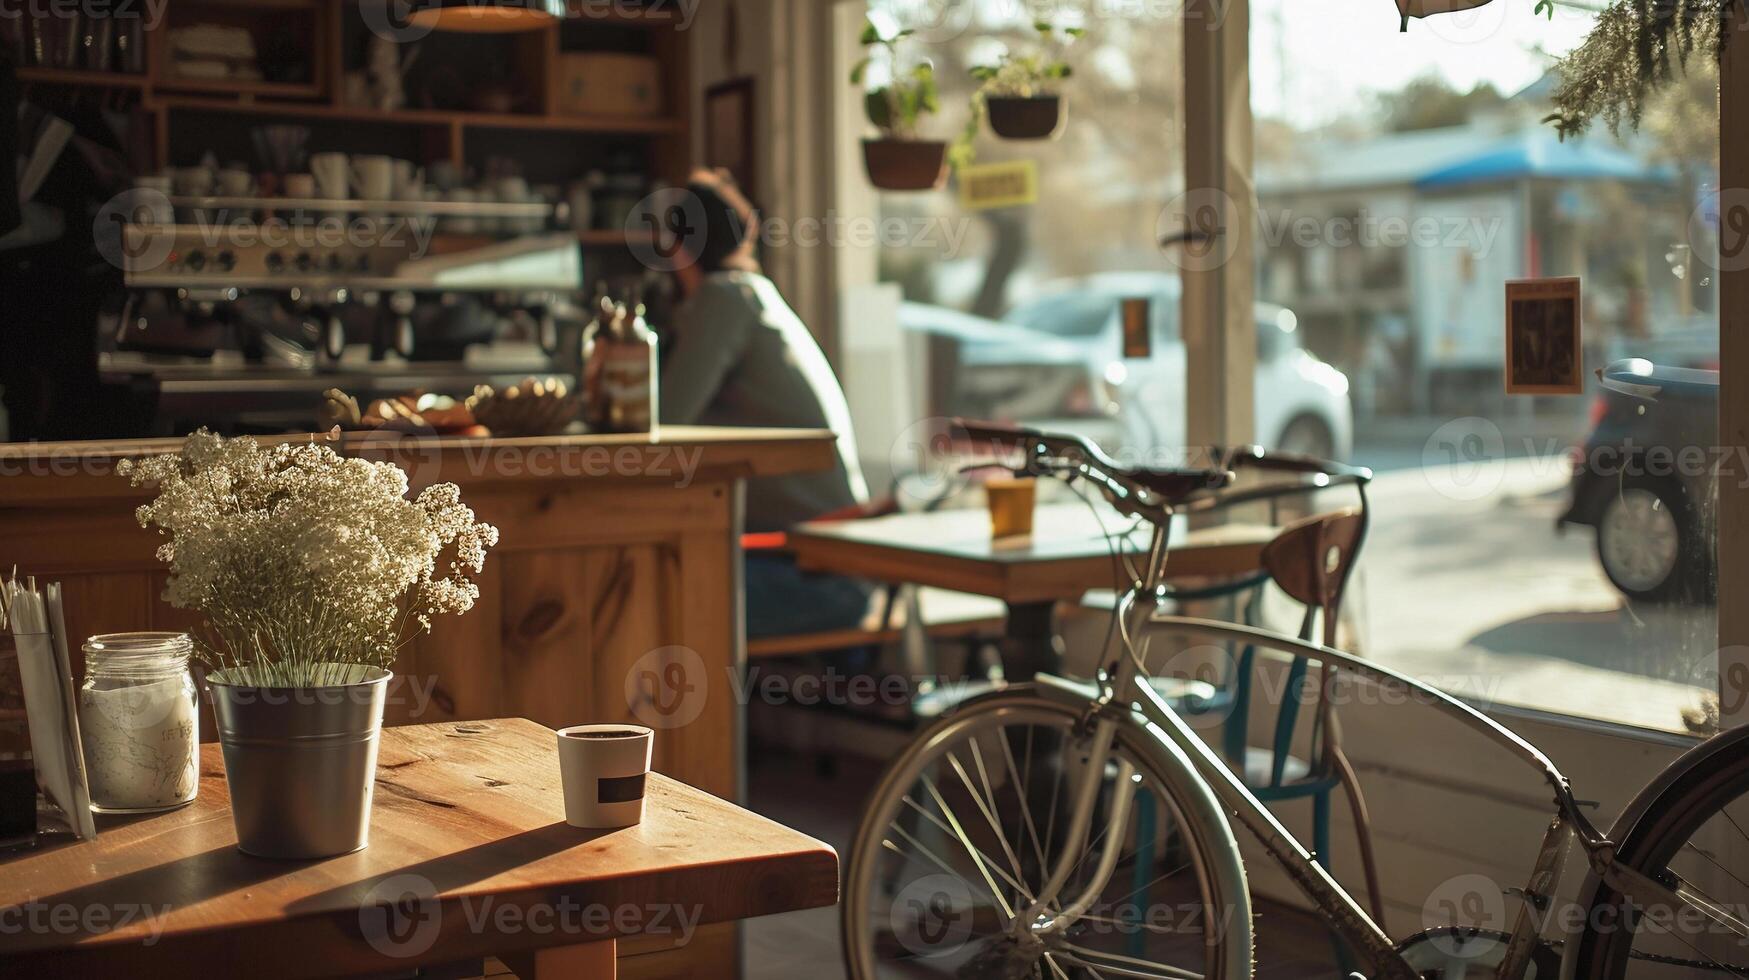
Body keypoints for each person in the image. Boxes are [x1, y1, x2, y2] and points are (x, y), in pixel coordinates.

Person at [658, 169, 874, 639]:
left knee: (659, 595)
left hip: (818, 576)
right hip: (828, 565)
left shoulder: (725, 299)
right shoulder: (754, 297)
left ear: (678, 248)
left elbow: (663, 423)